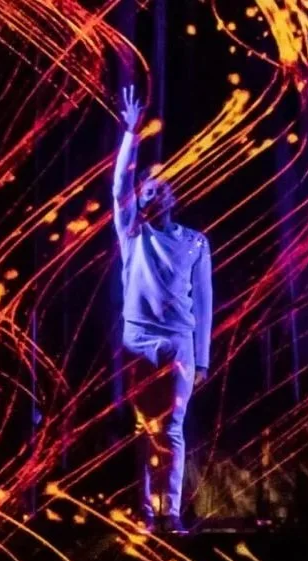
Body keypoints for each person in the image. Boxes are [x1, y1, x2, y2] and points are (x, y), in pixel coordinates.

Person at [113, 85, 213, 534]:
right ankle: (145, 512)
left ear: (173, 198)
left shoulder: (194, 242)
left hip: (177, 343)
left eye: (159, 189)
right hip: (138, 339)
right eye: (146, 190)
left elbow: (204, 302)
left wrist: (202, 358)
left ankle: (169, 509)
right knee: (142, 429)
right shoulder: (133, 235)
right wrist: (131, 135)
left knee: (171, 428)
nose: (150, 195)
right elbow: (119, 189)